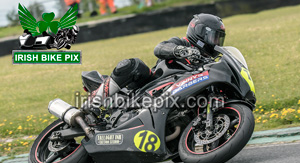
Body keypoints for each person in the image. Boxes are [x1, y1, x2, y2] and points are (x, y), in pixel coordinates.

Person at [84, 13, 226, 112]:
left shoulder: (209, 61)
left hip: (179, 101)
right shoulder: (183, 43)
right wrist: (182, 51)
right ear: (201, 33)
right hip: (151, 87)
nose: (216, 43)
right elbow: (159, 48)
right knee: (134, 65)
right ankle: (94, 102)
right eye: (214, 38)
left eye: (219, 39)